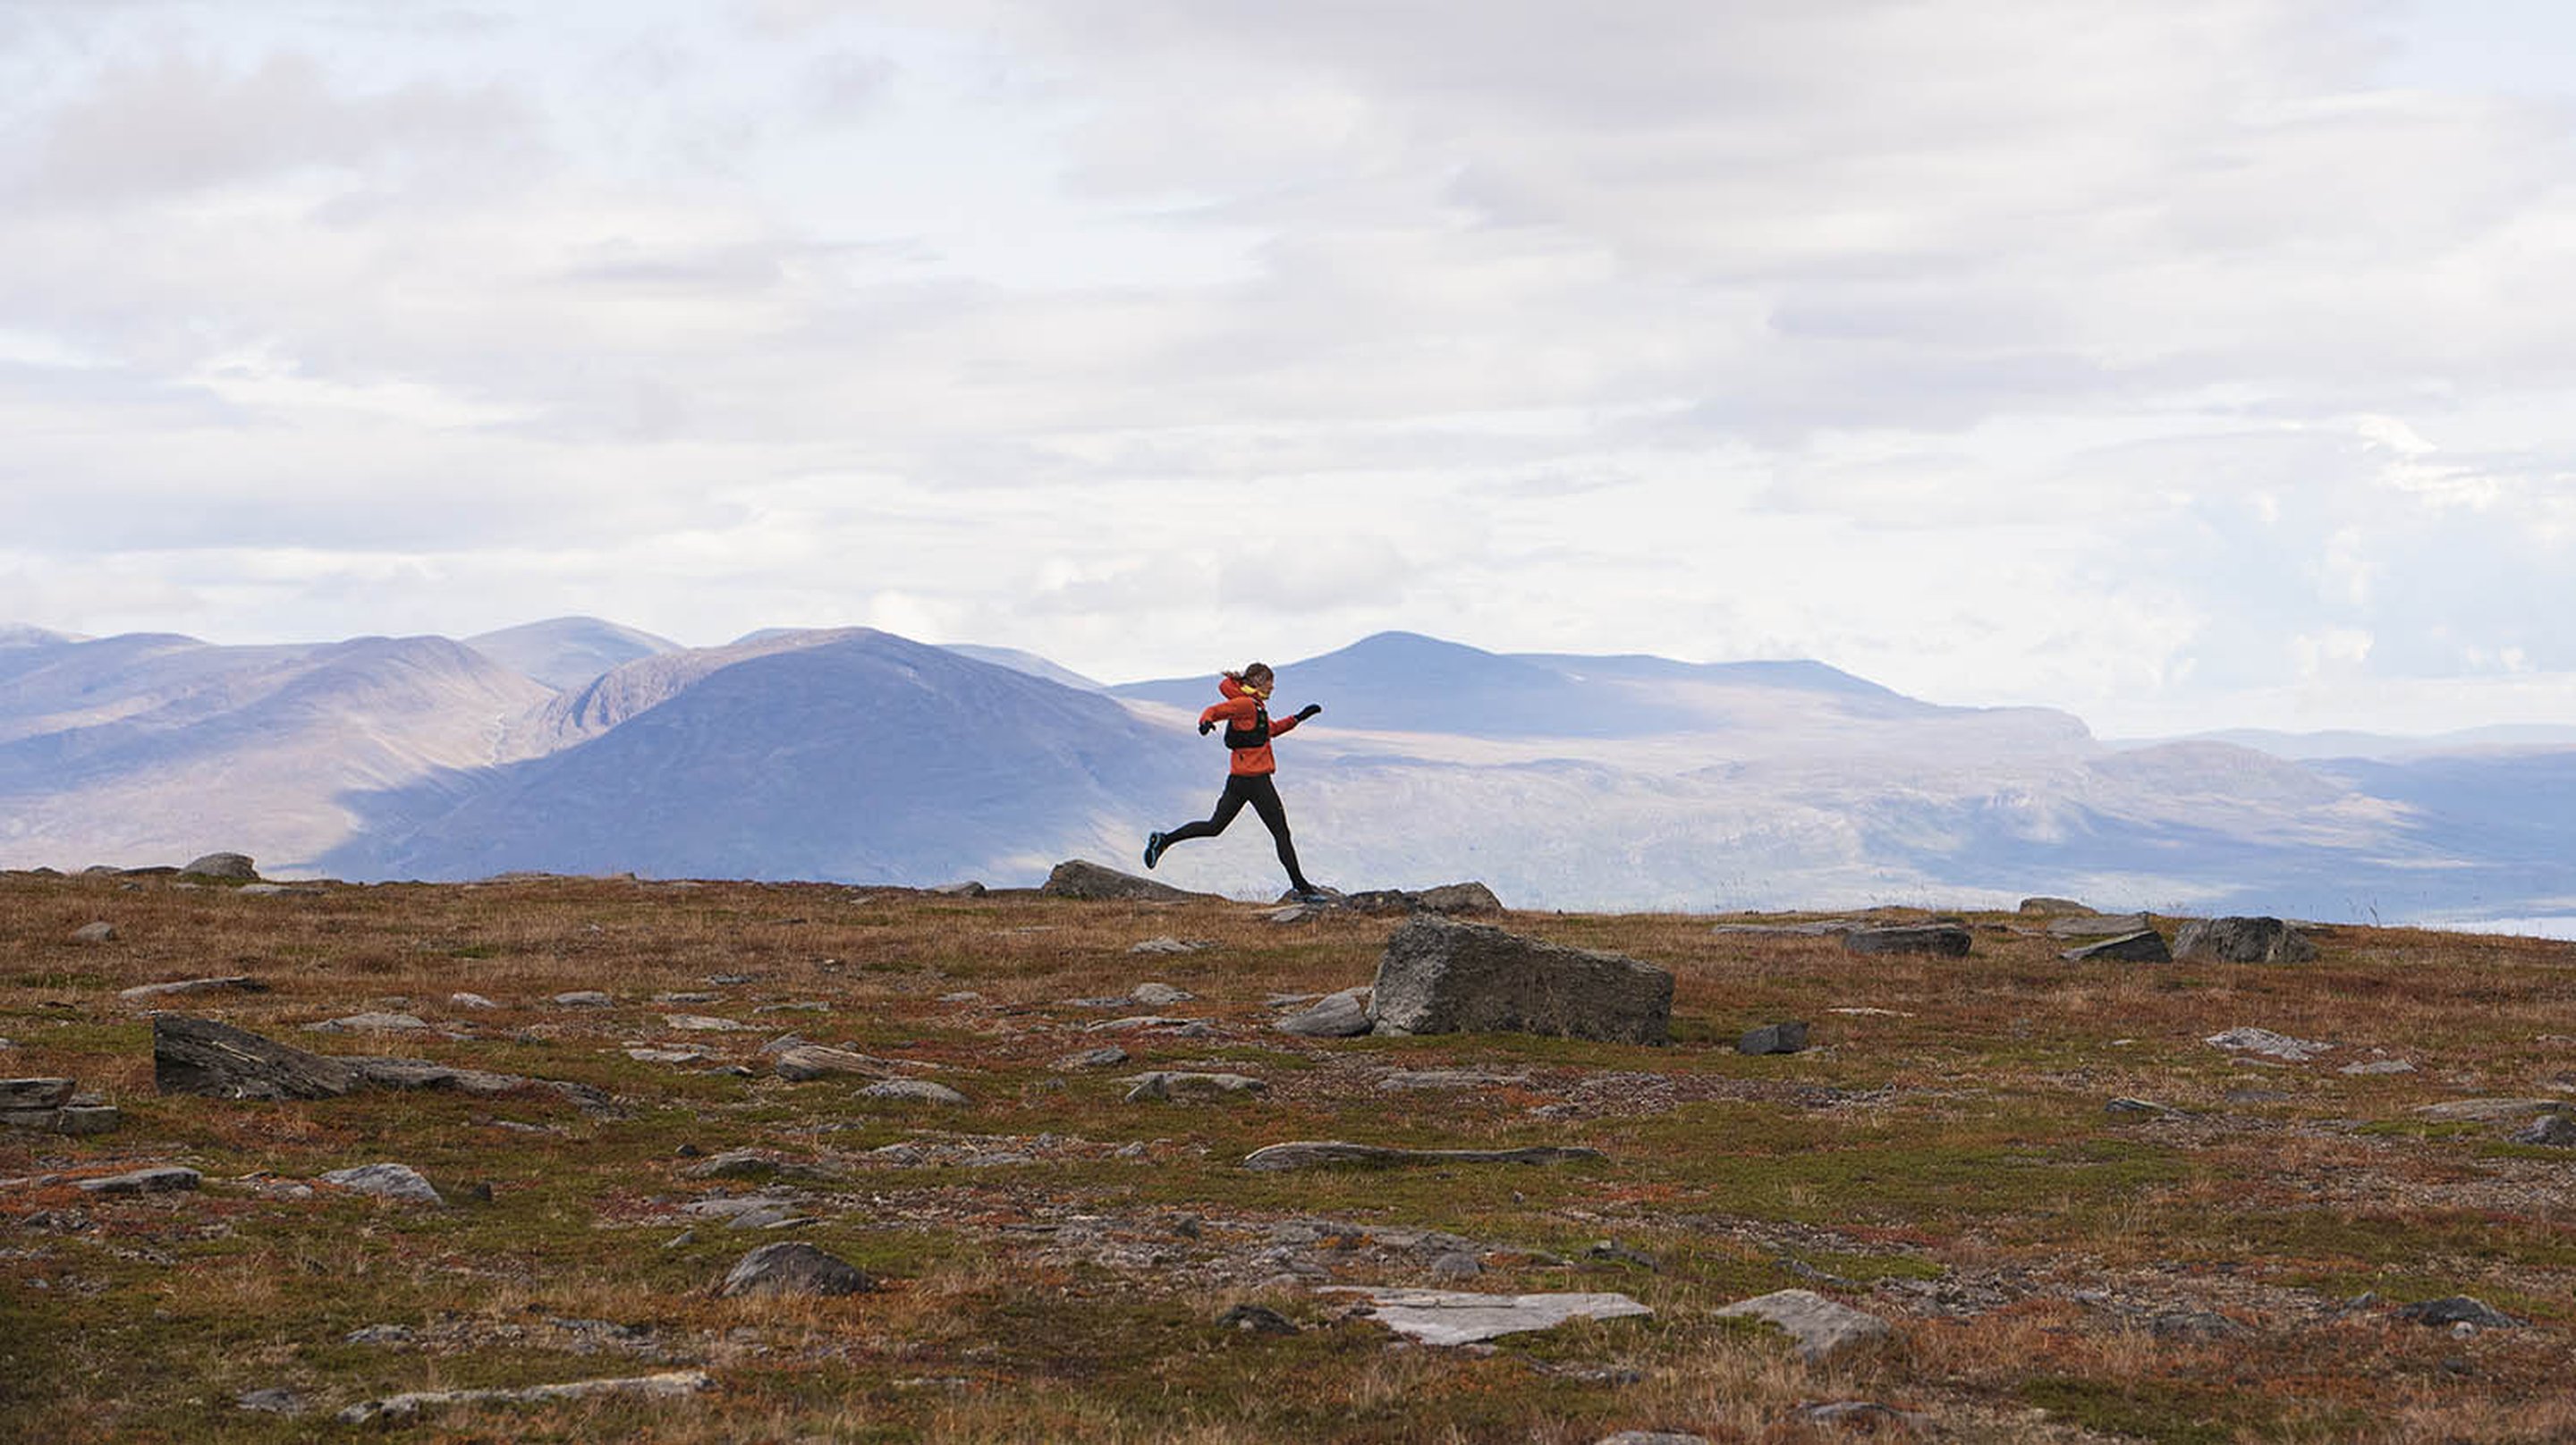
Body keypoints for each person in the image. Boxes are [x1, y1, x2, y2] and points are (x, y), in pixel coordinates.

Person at [1144, 662, 1326, 900]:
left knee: (1214, 827)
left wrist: (1299, 718)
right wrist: (1205, 721)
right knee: (1281, 834)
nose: (1273, 687)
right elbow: (1215, 710)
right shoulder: (1244, 704)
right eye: (1270, 681)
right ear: (1259, 681)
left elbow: (1269, 730)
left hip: (1238, 781)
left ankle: (1164, 840)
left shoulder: (1255, 706)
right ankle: (1303, 889)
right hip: (1257, 783)